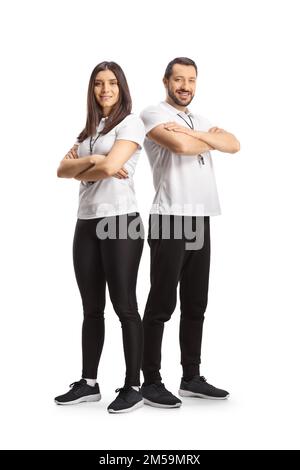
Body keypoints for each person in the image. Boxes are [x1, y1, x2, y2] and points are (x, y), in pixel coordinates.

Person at [139, 57, 240, 408]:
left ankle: (191, 378)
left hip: (201, 217)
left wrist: (199, 135)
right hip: (170, 218)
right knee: (162, 303)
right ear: (166, 81)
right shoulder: (153, 114)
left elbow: (233, 143)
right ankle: (150, 380)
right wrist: (206, 141)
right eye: (178, 79)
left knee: (196, 302)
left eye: (191, 80)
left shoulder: (201, 120)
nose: (185, 86)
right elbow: (180, 147)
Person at [54, 61, 145, 413]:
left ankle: (132, 386)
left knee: (124, 306)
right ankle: (89, 383)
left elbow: (107, 168)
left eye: (111, 83)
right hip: (87, 221)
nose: (105, 90)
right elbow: (61, 170)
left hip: (121, 221)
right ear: (92, 90)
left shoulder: (131, 123)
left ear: (121, 87)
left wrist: (87, 165)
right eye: (98, 84)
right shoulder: (89, 131)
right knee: (91, 308)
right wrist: (98, 159)